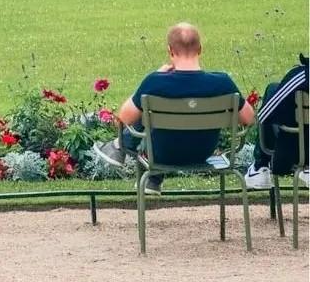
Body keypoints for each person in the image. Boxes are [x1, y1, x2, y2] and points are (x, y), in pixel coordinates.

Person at [92, 23, 253, 193]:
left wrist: (156, 75)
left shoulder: (155, 82)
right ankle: (150, 178)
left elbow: (124, 118)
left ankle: (122, 149)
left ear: (170, 51)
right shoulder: (223, 82)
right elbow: (249, 118)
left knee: (144, 109)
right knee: (149, 111)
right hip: (204, 152)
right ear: (200, 49)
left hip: (162, 155)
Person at [243, 54, 310, 189]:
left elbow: (265, 114)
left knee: (273, 89)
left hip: (298, 153)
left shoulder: (303, 75)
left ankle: (260, 167)